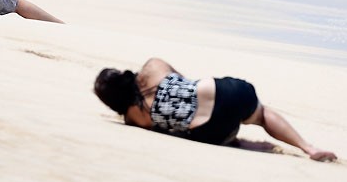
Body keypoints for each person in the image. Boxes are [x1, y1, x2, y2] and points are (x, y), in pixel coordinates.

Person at [94, 57, 337, 162]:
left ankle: (242, 142)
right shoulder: (152, 67)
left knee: (197, 130)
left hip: (211, 132)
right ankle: (308, 147)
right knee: (261, 115)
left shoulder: (134, 118)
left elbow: (168, 128)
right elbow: (183, 84)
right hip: (224, 95)